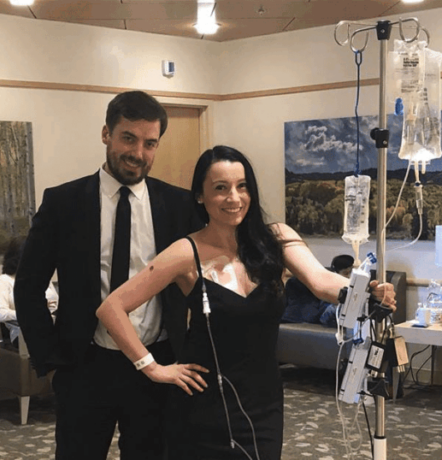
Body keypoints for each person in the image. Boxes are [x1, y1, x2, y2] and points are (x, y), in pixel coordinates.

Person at [96, 145, 396, 459]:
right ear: (200, 196)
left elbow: (321, 281)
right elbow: (111, 308)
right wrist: (153, 368)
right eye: (220, 188)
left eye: (242, 186)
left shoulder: (276, 238)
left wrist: (366, 291)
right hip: (202, 403)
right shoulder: (186, 252)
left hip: (263, 402)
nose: (234, 198)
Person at [13, 90, 202, 460]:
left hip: (158, 363)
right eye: (128, 138)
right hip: (85, 366)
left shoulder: (179, 205)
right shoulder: (63, 202)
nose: (138, 153)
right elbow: (28, 286)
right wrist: (50, 360)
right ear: (106, 134)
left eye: (150, 143)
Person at [0, 235, 58, 348]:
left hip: (52, 325)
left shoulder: (42, 277)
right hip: (24, 331)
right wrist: (31, 312)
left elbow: (56, 303)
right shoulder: (3, 281)